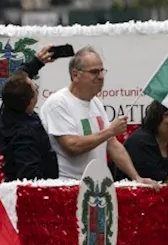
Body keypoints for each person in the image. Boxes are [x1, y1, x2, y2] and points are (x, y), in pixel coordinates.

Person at [39, 47, 157, 185]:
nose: (101, 76)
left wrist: (136, 178)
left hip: (98, 188)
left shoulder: (95, 103)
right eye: (94, 72)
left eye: (102, 71)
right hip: (69, 188)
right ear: (75, 74)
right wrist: (109, 131)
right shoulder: (58, 103)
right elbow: (72, 146)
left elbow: (112, 145)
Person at [0, 71, 59, 180]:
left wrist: (37, 63)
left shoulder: (6, 113)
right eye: (36, 90)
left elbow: (12, 87)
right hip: (37, 190)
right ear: (30, 101)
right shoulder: (25, 133)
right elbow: (29, 175)